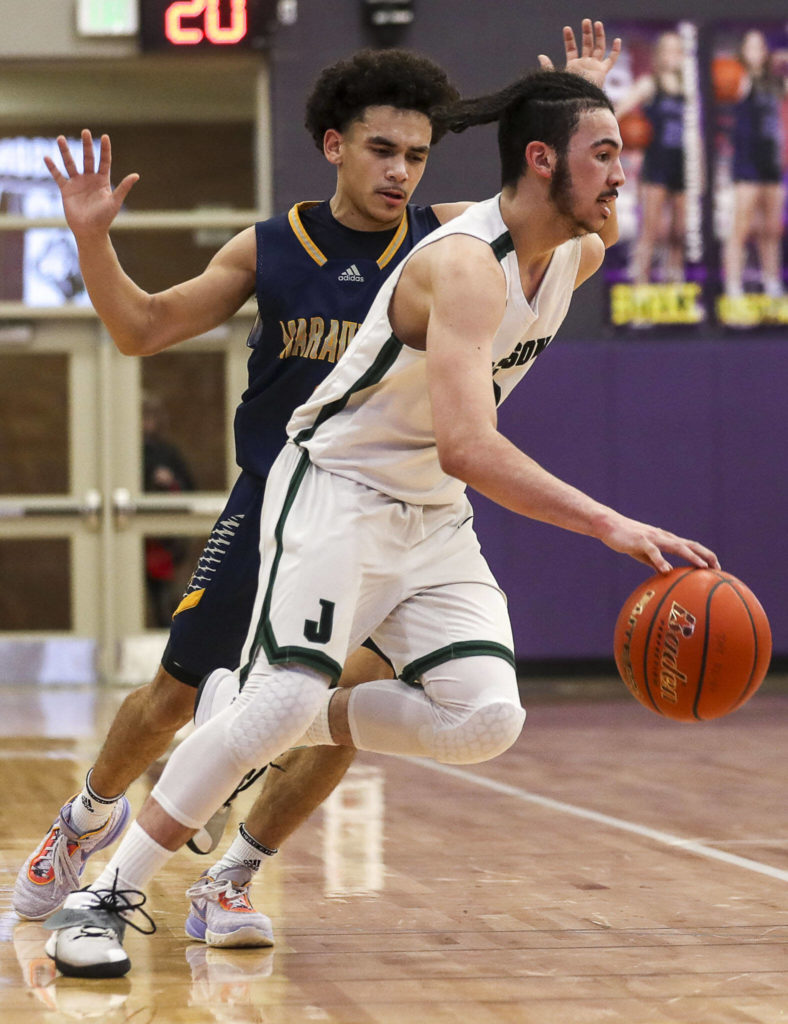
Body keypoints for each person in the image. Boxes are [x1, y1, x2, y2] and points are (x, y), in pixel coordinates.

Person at [43, 29, 720, 979]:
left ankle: (266, 717)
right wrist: (611, 521)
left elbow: (568, 203)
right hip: (332, 493)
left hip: (431, 515)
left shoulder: (574, 254)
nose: (621, 176)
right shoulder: (458, 263)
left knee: (485, 719)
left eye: (416, 153)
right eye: (606, 156)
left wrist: (579, 111)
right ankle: (102, 894)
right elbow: (468, 442)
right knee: (223, 697)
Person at [13, 47, 464, 946]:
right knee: (176, 691)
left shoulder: (447, 243)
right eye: (382, 150)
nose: (400, 172)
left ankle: (232, 877)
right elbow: (141, 329)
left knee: (340, 709)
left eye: (415, 156)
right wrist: (93, 239)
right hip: (274, 500)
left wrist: (587, 112)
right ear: (333, 145)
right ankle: (86, 817)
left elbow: (558, 230)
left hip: (383, 511)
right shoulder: (268, 247)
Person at [615, 31, 687, 286]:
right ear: (659, 54)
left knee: (679, 233)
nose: (672, 55)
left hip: (684, 167)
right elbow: (617, 111)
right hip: (657, 164)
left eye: (677, 50)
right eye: (667, 49)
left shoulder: (690, 86)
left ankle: (675, 285)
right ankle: (640, 288)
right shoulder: (650, 84)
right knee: (651, 231)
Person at [723, 28, 786, 316]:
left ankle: (772, 283)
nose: (756, 52)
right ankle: (733, 287)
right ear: (742, 51)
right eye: (750, 47)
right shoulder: (738, 78)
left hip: (770, 161)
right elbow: (731, 86)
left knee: (771, 229)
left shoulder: (774, 82)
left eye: (760, 47)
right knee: (741, 226)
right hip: (746, 161)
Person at [142, 391, 197, 627]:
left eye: (149, 417)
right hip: (139, 538)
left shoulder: (167, 452)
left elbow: (190, 488)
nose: (145, 423)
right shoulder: (126, 453)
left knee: (168, 597)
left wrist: (171, 481)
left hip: (166, 542)